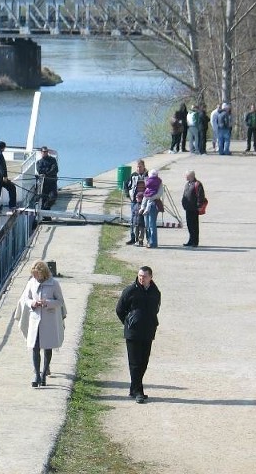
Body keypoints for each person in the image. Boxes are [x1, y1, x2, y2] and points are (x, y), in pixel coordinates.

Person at [15, 261, 67, 388]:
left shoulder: (54, 284)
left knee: (48, 347)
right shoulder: (31, 283)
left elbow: (60, 301)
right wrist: (32, 303)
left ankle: (44, 374)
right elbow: (26, 299)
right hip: (35, 319)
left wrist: (47, 303)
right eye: (33, 274)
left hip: (49, 320)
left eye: (36, 274)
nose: (34, 277)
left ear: (42, 273)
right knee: (35, 347)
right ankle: (37, 375)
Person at [115, 266, 161, 404]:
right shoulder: (130, 291)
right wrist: (128, 322)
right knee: (135, 363)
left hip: (148, 331)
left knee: (143, 362)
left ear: (151, 277)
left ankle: (133, 388)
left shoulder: (155, 292)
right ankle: (138, 391)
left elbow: (156, 309)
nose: (142, 278)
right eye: (140, 276)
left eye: (145, 276)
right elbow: (119, 309)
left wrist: (151, 322)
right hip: (133, 333)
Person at [124, 160, 148, 245]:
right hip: (134, 201)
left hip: (145, 201)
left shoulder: (148, 175)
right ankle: (133, 238)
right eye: (137, 166)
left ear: (143, 166)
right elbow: (126, 184)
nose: (138, 168)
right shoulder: (133, 175)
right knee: (133, 220)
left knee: (145, 221)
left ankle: (146, 239)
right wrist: (128, 194)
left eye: (140, 166)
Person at [181, 170, 206, 247]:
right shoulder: (187, 184)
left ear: (191, 176)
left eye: (186, 175)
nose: (185, 177)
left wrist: (199, 206)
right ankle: (190, 240)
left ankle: (195, 242)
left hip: (194, 209)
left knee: (194, 226)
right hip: (188, 208)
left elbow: (200, 196)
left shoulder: (197, 184)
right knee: (189, 225)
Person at [0, 141, 17, 212]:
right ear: (2, 147)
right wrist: (5, 176)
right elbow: (1, 167)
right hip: (0, 177)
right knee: (12, 188)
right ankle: (12, 205)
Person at [141, 169, 163, 248]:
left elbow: (159, 194)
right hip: (147, 203)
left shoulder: (159, 183)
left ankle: (153, 242)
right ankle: (149, 240)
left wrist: (150, 197)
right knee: (147, 224)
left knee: (152, 224)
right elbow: (145, 193)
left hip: (154, 205)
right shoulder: (148, 182)